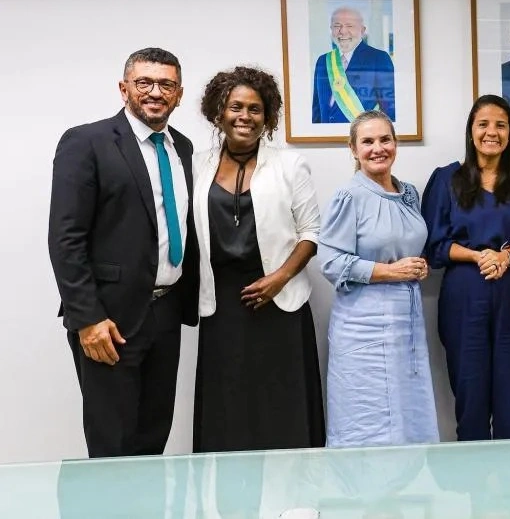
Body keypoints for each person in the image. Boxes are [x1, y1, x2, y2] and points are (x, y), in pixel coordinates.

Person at [48, 47, 198, 458]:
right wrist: (88, 318)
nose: (155, 92)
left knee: (152, 439)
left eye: (166, 84)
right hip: (108, 319)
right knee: (111, 445)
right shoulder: (87, 142)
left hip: (166, 313)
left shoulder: (181, 147)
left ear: (179, 94)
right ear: (123, 88)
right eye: (144, 82)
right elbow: (65, 238)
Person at [191, 66, 325, 453]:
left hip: (279, 301)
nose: (244, 117)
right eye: (236, 107)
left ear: (267, 118)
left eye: (255, 109)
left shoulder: (290, 164)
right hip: (221, 304)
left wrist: (279, 278)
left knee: (281, 407)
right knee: (228, 408)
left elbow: (311, 233)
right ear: (219, 112)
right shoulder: (198, 163)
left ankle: (290, 505)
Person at [422, 94, 510, 441]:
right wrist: (479, 256)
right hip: (465, 296)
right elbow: (433, 246)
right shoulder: (447, 179)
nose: (491, 132)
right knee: (471, 401)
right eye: (483, 124)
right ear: (471, 131)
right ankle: (474, 491)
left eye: (501, 125)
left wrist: (506, 258)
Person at [318, 109, 439, 447]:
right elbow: (329, 261)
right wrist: (391, 271)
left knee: (406, 412)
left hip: (406, 325)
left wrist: (418, 266)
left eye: (385, 139)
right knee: (366, 418)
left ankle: (403, 494)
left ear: (396, 143)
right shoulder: (349, 197)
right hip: (362, 328)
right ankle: (362, 495)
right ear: (353, 149)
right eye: (367, 141)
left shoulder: (410, 194)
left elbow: (405, 242)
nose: (377, 148)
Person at [312, 6, 396, 124]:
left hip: (362, 137)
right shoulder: (322, 60)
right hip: (326, 138)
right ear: (331, 29)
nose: (343, 31)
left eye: (349, 25)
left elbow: (390, 109)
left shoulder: (379, 58)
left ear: (362, 30)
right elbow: (316, 109)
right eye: (337, 26)